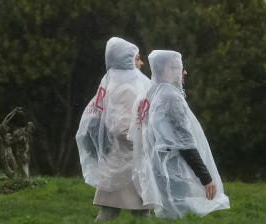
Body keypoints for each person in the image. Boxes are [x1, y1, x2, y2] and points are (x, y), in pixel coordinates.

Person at [130, 50, 230, 220]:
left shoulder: (150, 93)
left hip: (156, 167)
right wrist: (206, 177)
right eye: (179, 67)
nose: (184, 72)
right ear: (168, 71)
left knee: (166, 214)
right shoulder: (169, 97)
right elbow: (183, 142)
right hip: (171, 170)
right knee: (176, 215)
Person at [76, 37, 152, 222]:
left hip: (120, 162)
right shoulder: (127, 89)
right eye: (137, 59)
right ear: (126, 61)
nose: (141, 63)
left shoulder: (114, 85)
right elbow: (121, 129)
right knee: (138, 214)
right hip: (127, 164)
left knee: (120, 213)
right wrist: (147, 138)